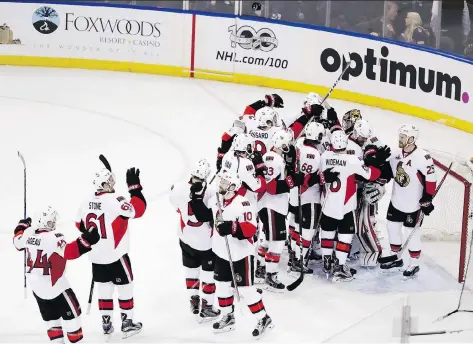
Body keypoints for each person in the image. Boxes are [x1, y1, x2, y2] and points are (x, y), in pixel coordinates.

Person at [189, 171, 273, 339]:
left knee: (246, 290)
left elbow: (251, 229)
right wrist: (196, 199)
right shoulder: (216, 200)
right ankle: (228, 316)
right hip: (221, 252)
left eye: (225, 183)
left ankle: (263, 319)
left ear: (233, 187)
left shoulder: (243, 204)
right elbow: (204, 216)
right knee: (221, 286)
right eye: (221, 182)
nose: (221, 185)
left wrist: (233, 227)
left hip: (241, 254)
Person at [75, 164, 146, 338]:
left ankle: (106, 323)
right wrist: (135, 190)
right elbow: (138, 210)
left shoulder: (85, 200)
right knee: (125, 287)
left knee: (104, 289)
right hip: (116, 255)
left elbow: (79, 225)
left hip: (96, 256)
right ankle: (127, 322)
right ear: (106, 184)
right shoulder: (116, 200)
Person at [13, 206, 100, 343]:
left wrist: (21, 227)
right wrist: (87, 240)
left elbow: (17, 242)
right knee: (73, 318)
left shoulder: (27, 235)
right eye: (51, 220)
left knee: (52, 321)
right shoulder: (54, 237)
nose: (53, 223)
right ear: (43, 221)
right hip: (56, 287)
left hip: (37, 288)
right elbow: (70, 252)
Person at [319, 131, 387, 282]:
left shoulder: (324, 157)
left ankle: (327, 263)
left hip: (326, 205)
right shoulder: (352, 160)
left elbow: (318, 176)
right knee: (345, 236)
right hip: (346, 207)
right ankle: (340, 267)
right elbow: (371, 175)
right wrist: (377, 162)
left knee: (327, 234)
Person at [379, 124, 437, 278]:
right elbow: (389, 171)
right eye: (400, 136)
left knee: (411, 232)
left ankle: (414, 264)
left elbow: (431, 180)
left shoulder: (423, 157)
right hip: (397, 200)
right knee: (392, 227)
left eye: (403, 137)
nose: (400, 139)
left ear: (411, 139)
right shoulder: (396, 153)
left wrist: (427, 199)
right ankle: (396, 258)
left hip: (414, 204)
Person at [169, 159, 220, 321]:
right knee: (208, 274)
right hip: (206, 242)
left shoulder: (178, 187)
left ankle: (194, 299)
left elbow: (175, 206)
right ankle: (206, 306)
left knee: (191, 270)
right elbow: (210, 215)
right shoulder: (212, 192)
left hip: (185, 237)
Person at [257, 129, 302, 291]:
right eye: (286, 144)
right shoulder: (273, 159)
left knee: (269, 240)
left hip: (272, 206)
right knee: (277, 241)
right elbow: (269, 187)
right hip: (271, 206)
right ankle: (270, 275)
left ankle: (260, 269)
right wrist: (292, 181)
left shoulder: (274, 158)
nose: (289, 147)